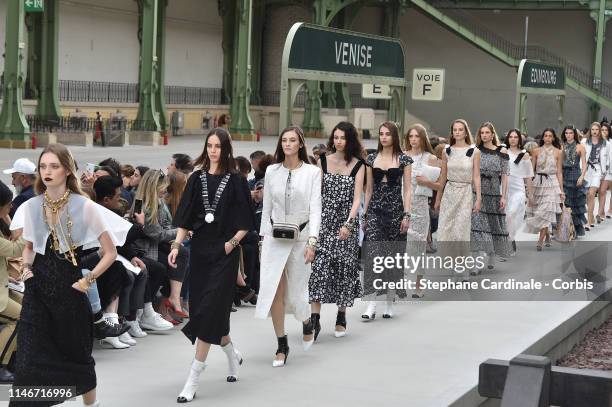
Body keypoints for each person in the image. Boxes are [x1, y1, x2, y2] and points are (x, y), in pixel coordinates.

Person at [9, 143, 132, 407]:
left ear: (67, 169)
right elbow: (30, 247)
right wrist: (25, 269)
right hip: (37, 291)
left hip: (70, 290)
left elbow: (109, 252)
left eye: (54, 166)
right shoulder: (31, 206)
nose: (47, 172)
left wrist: (88, 280)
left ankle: (91, 404)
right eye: (43, 166)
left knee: (77, 358)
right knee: (29, 361)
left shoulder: (84, 206)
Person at [169, 128, 254, 402]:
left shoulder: (238, 180)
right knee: (212, 314)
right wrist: (176, 245)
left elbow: (246, 220)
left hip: (225, 253)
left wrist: (231, 244)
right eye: (209, 145)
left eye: (218, 146)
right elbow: (184, 216)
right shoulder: (196, 178)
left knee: (206, 312)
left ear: (226, 148)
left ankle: (193, 378)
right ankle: (232, 355)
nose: (213, 150)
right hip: (201, 252)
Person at [255, 126, 322, 367]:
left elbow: (316, 209)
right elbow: (267, 209)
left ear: (301, 144)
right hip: (274, 237)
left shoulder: (312, 173)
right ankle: (281, 343)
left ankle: (306, 320)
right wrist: (263, 240)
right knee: (274, 290)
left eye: (293, 140)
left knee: (296, 294)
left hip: (302, 238)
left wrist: (313, 241)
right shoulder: (272, 171)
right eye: (284, 140)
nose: (288, 144)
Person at [309, 122, 365, 339]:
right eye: (336, 137)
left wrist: (349, 224)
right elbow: (317, 192)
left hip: (346, 222)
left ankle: (341, 315)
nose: (338, 141)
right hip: (324, 220)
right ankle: (315, 320)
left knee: (343, 269)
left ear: (350, 140)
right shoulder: (322, 160)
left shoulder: (359, 165)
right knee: (319, 269)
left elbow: (357, 198)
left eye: (342, 138)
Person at [361, 121, 412, 319]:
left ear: (394, 136)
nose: (383, 137)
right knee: (374, 256)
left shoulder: (404, 159)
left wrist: (407, 215)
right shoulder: (371, 158)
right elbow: (368, 189)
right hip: (375, 211)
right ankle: (371, 304)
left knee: (392, 259)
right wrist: (365, 214)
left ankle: (389, 302)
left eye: (387, 134)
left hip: (395, 211)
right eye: (381, 133)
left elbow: (407, 190)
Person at [435, 119, 481, 277]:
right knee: (447, 230)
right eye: (455, 129)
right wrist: (438, 198)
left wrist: (479, 198)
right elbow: (443, 176)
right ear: (452, 132)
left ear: (466, 131)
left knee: (461, 231)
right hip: (449, 191)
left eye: (460, 129)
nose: (457, 132)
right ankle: (455, 265)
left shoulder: (474, 151)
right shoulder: (446, 150)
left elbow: (476, 176)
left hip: (466, 192)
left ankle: (463, 268)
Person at [404, 124, 442, 297]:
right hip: (403, 204)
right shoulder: (402, 156)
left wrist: (426, 182)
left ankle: (419, 284)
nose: (413, 139)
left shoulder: (430, 158)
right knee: (402, 246)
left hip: (420, 205)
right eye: (410, 136)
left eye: (416, 136)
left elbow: (440, 185)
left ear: (422, 138)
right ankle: (401, 283)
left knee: (418, 246)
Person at [471, 122, 511, 269]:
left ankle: (492, 255)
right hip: (477, 191)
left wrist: (504, 196)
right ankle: (477, 262)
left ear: (492, 135)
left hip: (494, 191)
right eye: (482, 133)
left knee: (493, 226)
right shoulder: (475, 150)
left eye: (487, 132)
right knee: (477, 227)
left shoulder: (502, 151)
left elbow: (505, 175)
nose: (484, 135)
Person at [0, 181, 25, 383]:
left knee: (29, 306)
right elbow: (16, 250)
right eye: (8, 205)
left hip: (3, 284)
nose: (11, 208)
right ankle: (1, 364)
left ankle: (16, 357)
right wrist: (25, 232)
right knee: (21, 318)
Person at [525, 129, 564, 250]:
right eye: (545, 135)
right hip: (538, 182)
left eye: (550, 136)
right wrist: (529, 188)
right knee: (540, 211)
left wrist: (561, 190)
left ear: (553, 138)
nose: (547, 138)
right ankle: (547, 235)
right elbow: (530, 171)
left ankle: (540, 241)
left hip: (552, 182)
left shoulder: (558, 152)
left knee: (547, 210)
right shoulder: (535, 151)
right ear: (542, 138)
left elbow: (559, 172)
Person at [504, 129, 534, 250]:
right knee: (505, 215)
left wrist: (530, 195)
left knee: (512, 213)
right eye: (511, 137)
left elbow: (528, 176)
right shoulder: (503, 151)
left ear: (519, 139)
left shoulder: (524, 155)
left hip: (518, 189)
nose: (513, 139)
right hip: (504, 188)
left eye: (515, 137)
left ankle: (510, 238)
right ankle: (509, 238)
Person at [560, 125, 587, 237]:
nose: (568, 135)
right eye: (566, 133)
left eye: (570, 133)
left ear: (574, 134)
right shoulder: (561, 147)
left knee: (575, 204)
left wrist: (581, 177)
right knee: (565, 204)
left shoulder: (580, 147)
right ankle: (566, 229)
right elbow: (559, 165)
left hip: (576, 175)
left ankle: (574, 230)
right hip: (564, 175)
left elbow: (584, 164)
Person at [581, 122, 607, 228]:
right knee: (587, 194)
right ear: (590, 131)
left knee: (591, 193)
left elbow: (608, 157)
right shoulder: (584, 141)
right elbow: (581, 156)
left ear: (599, 130)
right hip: (586, 170)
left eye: (596, 129)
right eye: (593, 129)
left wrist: (605, 171)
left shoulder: (605, 143)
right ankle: (591, 217)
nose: (594, 131)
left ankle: (589, 217)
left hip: (597, 170)